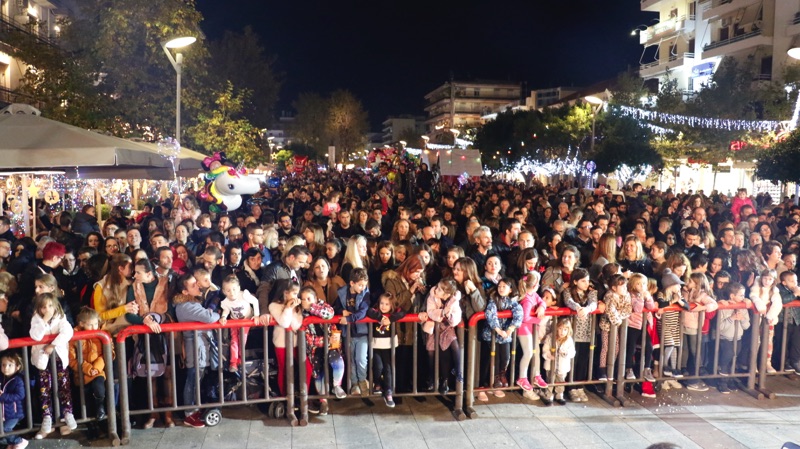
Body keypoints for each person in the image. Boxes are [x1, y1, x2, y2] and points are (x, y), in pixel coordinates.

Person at [174, 273, 220, 428]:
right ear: (185, 291)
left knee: (197, 380)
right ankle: (190, 414)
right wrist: (217, 313)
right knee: (193, 381)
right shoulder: (186, 306)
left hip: (200, 346)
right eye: (193, 285)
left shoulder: (193, 302)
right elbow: (209, 317)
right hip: (195, 348)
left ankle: (194, 409)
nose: (198, 286)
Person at [30, 292, 76, 439]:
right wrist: (44, 321)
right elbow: (35, 336)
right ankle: (47, 417)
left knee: (64, 386)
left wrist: (52, 345)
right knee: (44, 388)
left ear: (56, 306)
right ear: (39, 308)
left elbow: (67, 331)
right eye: (44, 307)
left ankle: (67, 413)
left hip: (58, 358)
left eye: (50, 306)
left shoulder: (61, 317)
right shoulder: (36, 319)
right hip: (43, 360)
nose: (47, 309)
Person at [299, 286, 343, 416]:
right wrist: (326, 340)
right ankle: (323, 401)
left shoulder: (323, 306)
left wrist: (312, 307)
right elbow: (310, 340)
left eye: (309, 298)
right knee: (318, 374)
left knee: (337, 362)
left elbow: (329, 314)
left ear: (316, 299)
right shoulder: (302, 314)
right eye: (303, 299)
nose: (306, 301)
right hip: (315, 350)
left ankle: (337, 386)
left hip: (331, 347)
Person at [68, 307, 109, 441]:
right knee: (85, 401)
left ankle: (101, 410)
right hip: (81, 374)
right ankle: (91, 426)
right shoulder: (73, 337)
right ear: (81, 324)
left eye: (96, 323)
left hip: (98, 372)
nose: (94, 327)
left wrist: (96, 368)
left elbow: (108, 353)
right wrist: (87, 368)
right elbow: (71, 359)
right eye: (90, 325)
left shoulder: (102, 334)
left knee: (99, 390)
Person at [480, 277, 522, 400]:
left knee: (505, 358)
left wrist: (510, 329)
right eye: (499, 286)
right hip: (491, 335)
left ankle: (498, 379)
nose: (501, 289)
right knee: (490, 360)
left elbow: (519, 313)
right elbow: (490, 314)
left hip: (505, 336)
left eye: (504, 287)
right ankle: (485, 384)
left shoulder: (513, 301)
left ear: (510, 289)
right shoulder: (493, 299)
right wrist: (498, 329)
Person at [269, 281, 310, 396]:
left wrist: (292, 308)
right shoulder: (274, 306)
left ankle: (304, 394)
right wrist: (288, 308)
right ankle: (285, 396)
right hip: (281, 343)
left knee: (306, 366)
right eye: (294, 293)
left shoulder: (297, 307)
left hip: (296, 342)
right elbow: (284, 323)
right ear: (285, 293)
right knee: (284, 369)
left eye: (297, 294)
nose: (297, 297)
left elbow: (297, 325)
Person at [561, 268, 596, 402]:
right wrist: (578, 307)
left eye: (587, 281)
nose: (586, 284)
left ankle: (579, 386)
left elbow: (593, 303)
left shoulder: (591, 292)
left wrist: (587, 309)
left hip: (587, 330)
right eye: (583, 281)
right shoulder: (568, 291)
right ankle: (570, 387)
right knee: (572, 359)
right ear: (575, 281)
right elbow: (568, 301)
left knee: (583, 359)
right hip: (573, 331)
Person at [333, 268, 370, 395]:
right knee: (351, 360)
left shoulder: (365, 294)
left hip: (361, 332)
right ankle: (354, 384)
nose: (363, 288)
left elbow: (363, 312)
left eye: (364, 285)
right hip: (347, 334)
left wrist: (348, 319)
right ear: (352, 283)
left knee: (361, 359)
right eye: (360, 285)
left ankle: (362, 380)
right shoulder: (342, 293)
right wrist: (341, 311)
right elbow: (335, 307)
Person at [366, 292, 406, 407]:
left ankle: (388, 391)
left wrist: (390, 319)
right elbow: (369, 311)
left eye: (387, 304)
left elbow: (403, 312)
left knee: (388, 368)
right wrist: (380, 317)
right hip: (376, 344)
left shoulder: (394, 312)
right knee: (378, 366)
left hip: (389, 344)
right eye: (382, 303)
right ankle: (377, 383)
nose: (383, 306)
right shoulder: (375, 311)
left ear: (391, 305)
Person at [423, 278, 462, 396]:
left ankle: (456, 372)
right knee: (431, 353)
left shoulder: (454, 300)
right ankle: (431, 377)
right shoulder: (432, 296)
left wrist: (449, 316)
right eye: (437, 287)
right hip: (433, 328)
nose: (436, 290)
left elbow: (457, 316)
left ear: (447, 294)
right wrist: (442, 313)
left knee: (453, 345)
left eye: (440, 290)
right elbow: (430, 312)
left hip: (446, 328)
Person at [681, 273, 717, 391]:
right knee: (686, 351)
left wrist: (703, 307)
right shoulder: (685, 291)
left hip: (694, 326)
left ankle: (694, 380)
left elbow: (714, 304)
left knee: (695, 352)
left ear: (697, 284)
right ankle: (687, 376)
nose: (688, 282)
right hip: (683, 325)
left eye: (691, 281)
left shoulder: (702, 294)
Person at [656, 268, 690, 387]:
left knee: (675, 346)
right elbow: (661, 304)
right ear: (670, 285)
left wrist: (680, 301)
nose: (680, 287)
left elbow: (687, 306)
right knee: (669, 344)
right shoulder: (661, 294)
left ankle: (675, 368)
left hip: (674, 324)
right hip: (664, 324)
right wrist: (672, 301)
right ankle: (664, 365)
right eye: (677, 284)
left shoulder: (678, 294)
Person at [219, 275, 259, 372]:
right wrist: (223, 317)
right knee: (234, 340)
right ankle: (233, 362)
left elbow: (255, 301)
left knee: (242, 339)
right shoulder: (225, 301)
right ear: (224, 291)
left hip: (245, 320)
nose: (232, 293)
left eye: (234, 289)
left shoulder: (244, 295)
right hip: (234, 321)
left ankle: (240, 359)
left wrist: (256, 315)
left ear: (238, 288)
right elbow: (226, 310)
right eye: (228, 290)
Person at [516, 272, 548, 391]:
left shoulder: (534, 295)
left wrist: (542, 307)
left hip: (532, 328)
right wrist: (538, 320)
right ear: (535, 285)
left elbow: (542, 301)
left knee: (536, 352)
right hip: (524, 329)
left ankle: (537, 375)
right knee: (528, 352)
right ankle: (522, 377)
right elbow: (525, 318)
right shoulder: (527, 300)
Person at [717, 281, 750, 394]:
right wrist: (731, 318)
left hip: (738, 338)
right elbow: (720, 327)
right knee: (726, 359)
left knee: (734, 358)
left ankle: (731, 380)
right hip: (725, 339)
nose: (743, 297)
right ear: (732, 296)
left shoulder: (743, 307)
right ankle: (722, 382)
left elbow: (747, 326)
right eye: (741, 295)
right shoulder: (724, 307)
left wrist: (742, 319)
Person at [598, 274, 632, 382]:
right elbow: (610, 311)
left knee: (617, 348)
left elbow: (628, 309)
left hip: (619, 326)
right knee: (606, 347)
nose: (625, 288)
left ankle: (611, 368)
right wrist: (618, 319)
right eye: (622, 286)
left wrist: (619, 316)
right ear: (614, 287)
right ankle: (602, 369)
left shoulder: (627, 295)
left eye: (625, 286)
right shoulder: (609, 296)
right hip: (607, 326)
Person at [749, 268, 782, 373]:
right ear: (761, 278)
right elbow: (753, 296)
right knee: (755, 341)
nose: (767, 281)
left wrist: (771, 315)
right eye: (765, 278)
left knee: (768, 341)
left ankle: (767, 363)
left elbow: (778, 303)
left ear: (773, 280)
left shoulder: (775, 290)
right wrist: (759, 305)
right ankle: (753, 364)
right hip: (756, 318)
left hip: (768, 319)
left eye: (770, 279)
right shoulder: (756, 287)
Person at [541, 317, 575, 406]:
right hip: (550, 365)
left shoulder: (569, 340)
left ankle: (559, 395)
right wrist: (548, 355)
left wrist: (566, 353)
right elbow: (545, 349)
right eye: (560, 329)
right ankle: (548, 396)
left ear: (568, 330)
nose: (562, 332)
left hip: (562, 366)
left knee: (561, 381)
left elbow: (572, 352)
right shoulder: (550, 337)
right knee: (550, 379)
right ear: (556, 328)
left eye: (565, 330)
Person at [0, 351, 26, 449]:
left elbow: (20, 395)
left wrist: (3, 396)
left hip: (14, 412)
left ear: (17, 367)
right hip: (4, 412)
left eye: (10, 365)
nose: (6, 368)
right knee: (3, 429)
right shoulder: (2, 378)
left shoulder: (18, 380)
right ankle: (11, 443)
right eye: (3, 365)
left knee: (6, 428)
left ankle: (20, 441)